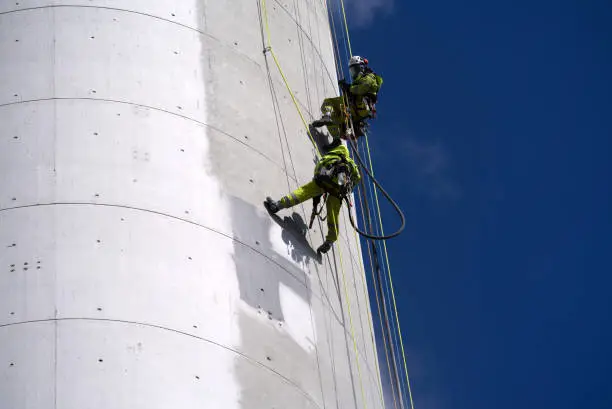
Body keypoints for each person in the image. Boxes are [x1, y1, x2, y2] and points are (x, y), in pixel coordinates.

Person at [264, 140, 361, 254]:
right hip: (338, 190)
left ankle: (277, 205)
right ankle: (329, 241)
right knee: (333, 215)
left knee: (303, 192)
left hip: (324, 178)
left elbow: (331, 153)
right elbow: (357, 179)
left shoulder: (342, 150)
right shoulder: (353, 167)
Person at [312, 56, 383, 140]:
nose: (354, 73)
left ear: (361, 67)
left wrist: (348, 88)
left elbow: (362, 88)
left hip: (359, 105)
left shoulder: (370, 77)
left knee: (329, 102)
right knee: (335, 116)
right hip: (356, 109)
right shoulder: (361, 79)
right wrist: (348, 88)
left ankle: (328, 118)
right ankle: (336, 140)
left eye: (355, 69)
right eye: (352, 71)